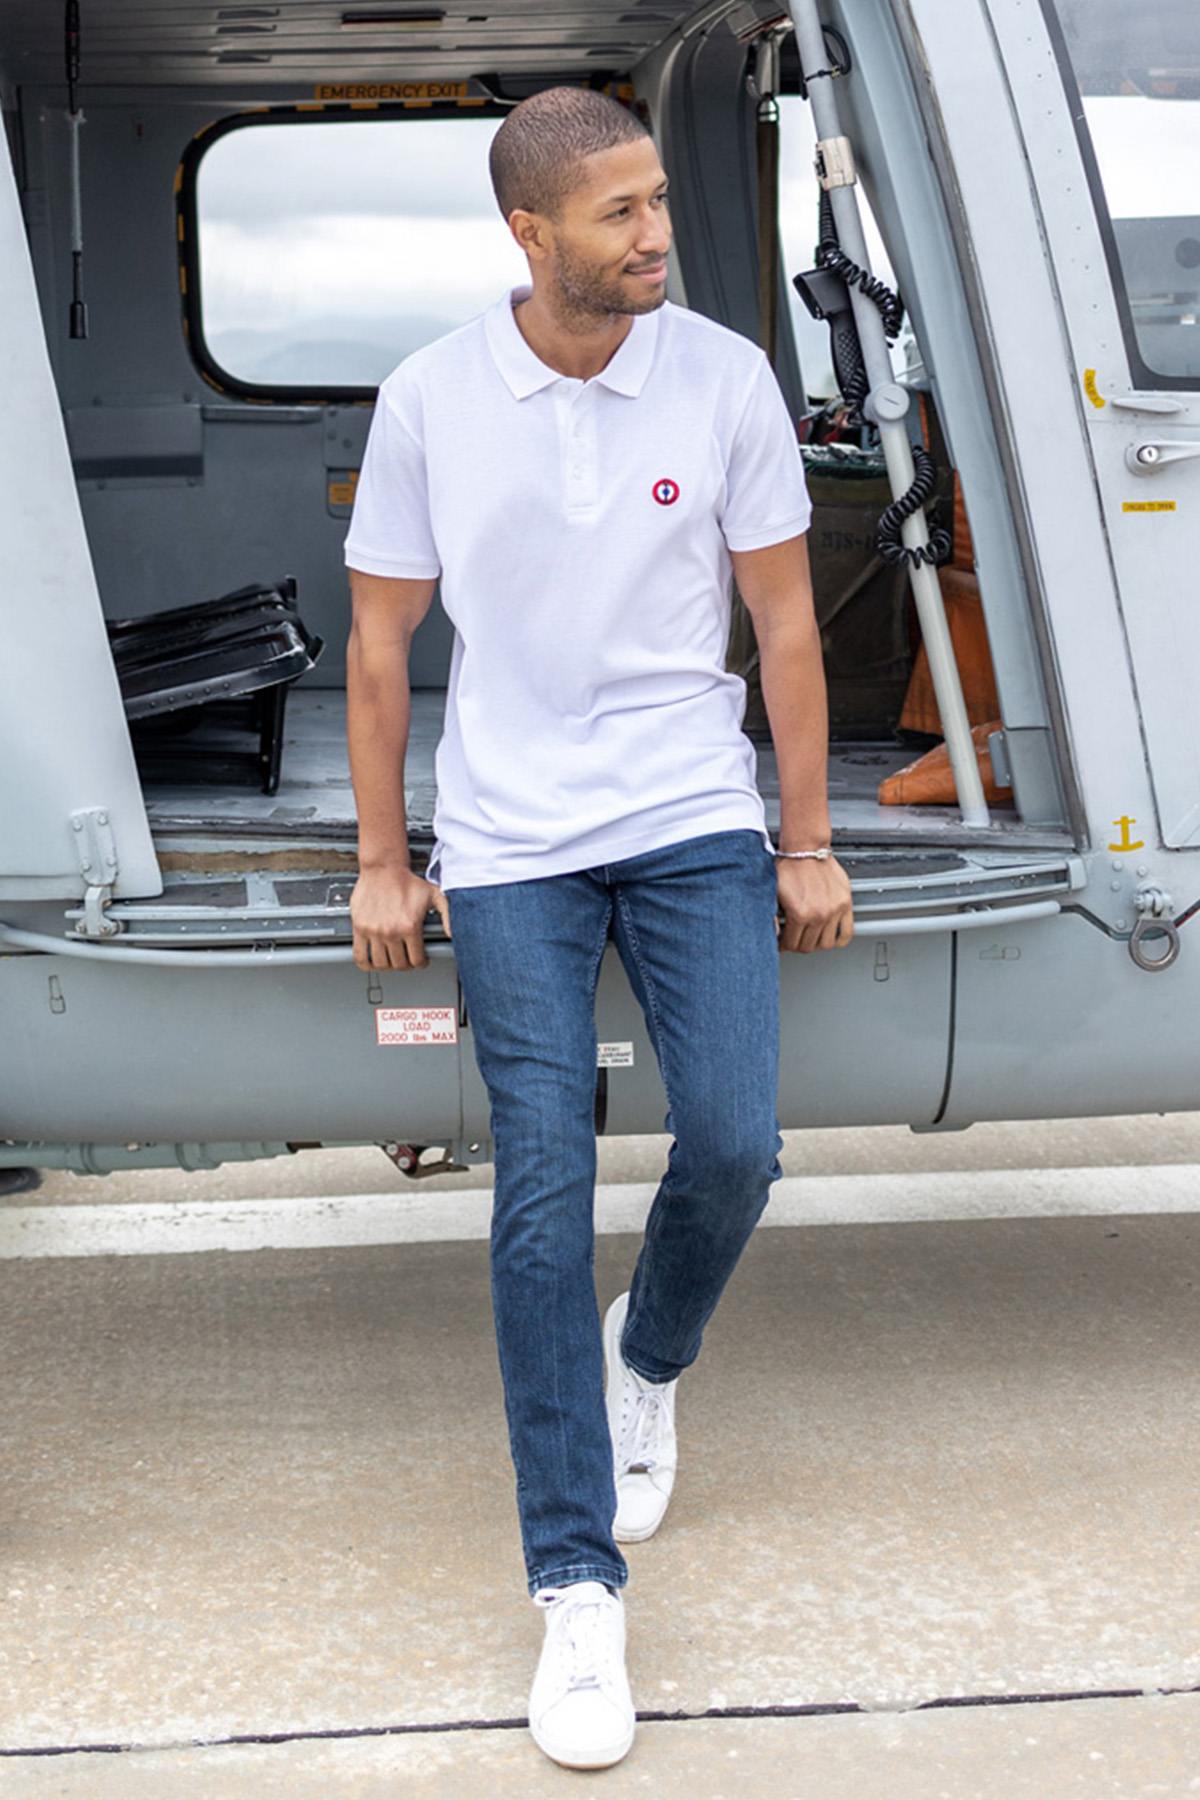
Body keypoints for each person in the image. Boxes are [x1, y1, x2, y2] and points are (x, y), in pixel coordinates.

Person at [342, 84, 854, 1772]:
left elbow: (782, 625)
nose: (657, 234)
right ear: (531, 235)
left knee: (735, 1145)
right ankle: (575, 1590)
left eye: (657, 202)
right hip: (506, 836)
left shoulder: (721, 378)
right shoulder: (431, 398)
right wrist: (379, 861)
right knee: (542, 1190)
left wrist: (807, 837)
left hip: (689, 809)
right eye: (622, 212)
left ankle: (654, 1357)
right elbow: (377, 648)